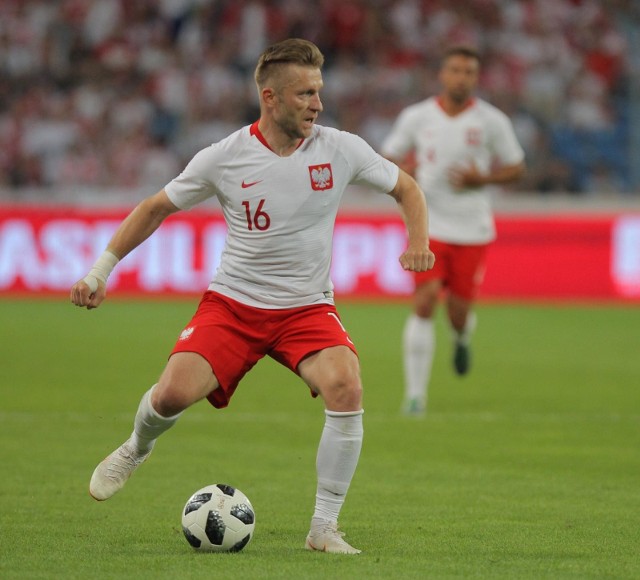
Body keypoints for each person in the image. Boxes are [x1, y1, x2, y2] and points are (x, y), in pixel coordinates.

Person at [70, 38, 435, 555]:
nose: (318, 103)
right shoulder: (225, 157)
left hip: (307, 307)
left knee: (346, 386)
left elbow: (408, 190)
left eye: (319, 91)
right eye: (306, 93)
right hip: (234, 305)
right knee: (171, 395)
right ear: (271, 97)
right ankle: (136, 446)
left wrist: (418, 241)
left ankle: (323, 528)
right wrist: (99, 271)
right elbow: (155, 207)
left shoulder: (341, 148)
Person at [381, 46, 525, 417]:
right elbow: (388, 157)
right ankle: (415, 397)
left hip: (473, 228)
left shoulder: (491, 121)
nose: (461, 77)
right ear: (442, 75)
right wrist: (405, 167)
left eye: (469, 72)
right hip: (428, 224)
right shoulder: (417, 117)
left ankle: (461, 337)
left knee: (458, 312)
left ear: (476, 79)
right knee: (425, 300)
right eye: (455, 70)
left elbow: (516, 166)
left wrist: (484, 178)